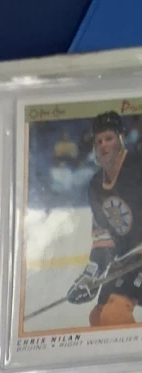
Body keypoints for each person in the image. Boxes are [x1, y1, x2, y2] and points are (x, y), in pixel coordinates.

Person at [64, 111, 142, 328]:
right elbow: (103, 241)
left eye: (109, 138)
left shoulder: (138, 168)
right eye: (98, 141)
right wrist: (90, 277)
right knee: (98, 319)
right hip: (127, 261)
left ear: (121, 138)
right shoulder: (96, 187)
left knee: (114, 314)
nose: (103, 145)